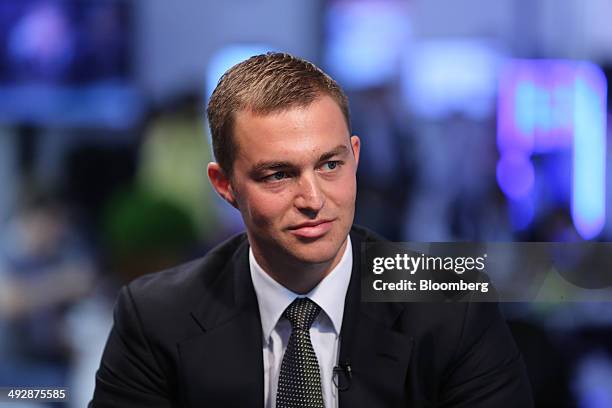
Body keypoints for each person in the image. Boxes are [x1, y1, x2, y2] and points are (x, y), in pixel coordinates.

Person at [90, 52, 532, 407]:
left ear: (355, 158)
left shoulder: (451, 303)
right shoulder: (157, 317)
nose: (314, 199)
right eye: (278, 175)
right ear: (225, 185)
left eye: (331, 165)